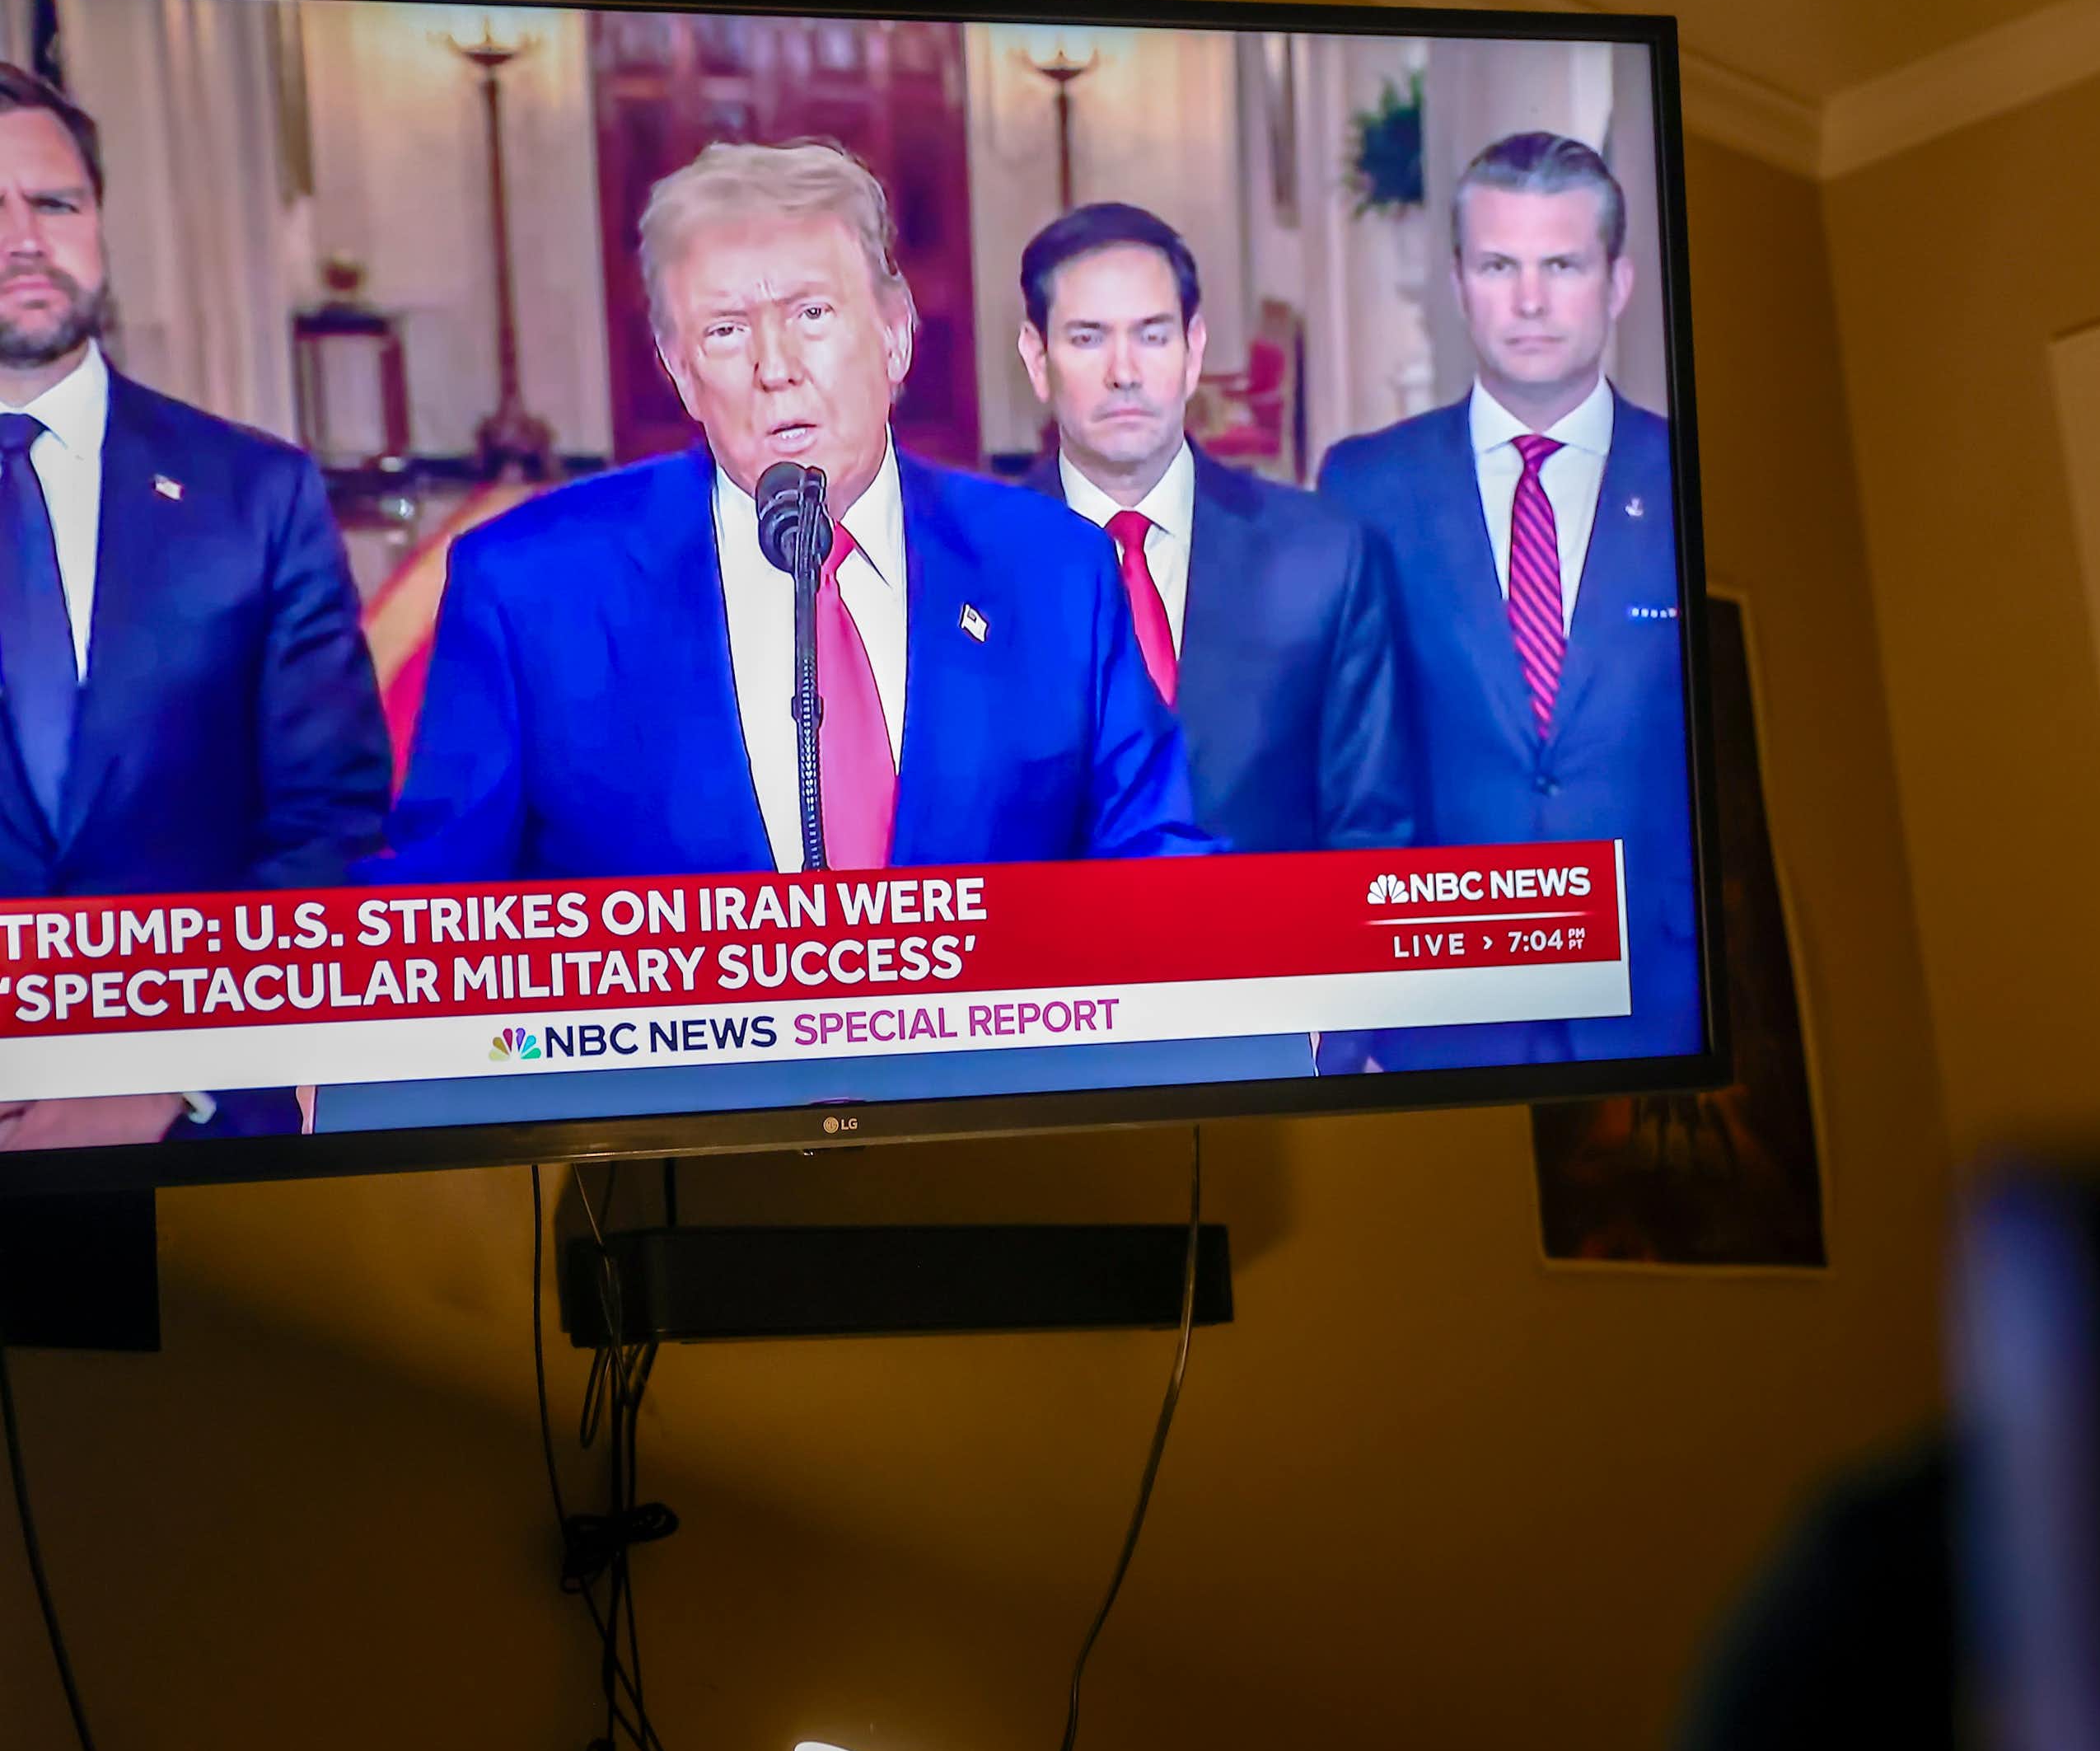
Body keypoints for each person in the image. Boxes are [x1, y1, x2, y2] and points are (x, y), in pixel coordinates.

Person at [376, 142, 1208, 882]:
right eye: (727, 331)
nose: (776, 367)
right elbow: (437, 911)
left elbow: (1155, 862)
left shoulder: (1055, 569)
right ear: (679, 371)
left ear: (895, 336)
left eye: (813, 314)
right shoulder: (530, 590)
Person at [0, 64, 390, 1149]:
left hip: (198, 1143)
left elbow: (329, 824)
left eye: (56, 202)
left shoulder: (255, 492)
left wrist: (169, 1072)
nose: (26, 237)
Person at [1318, 131, 1700, 1070]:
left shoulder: (1695, 475)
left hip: (1666, 1010)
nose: (1528, 302)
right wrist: (1346, 1031)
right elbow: (1345, 769)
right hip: (1444, 1017)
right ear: (1458, 283)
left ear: (1616, 283)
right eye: (1498, 266)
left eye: (1561, 265)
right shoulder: (1364, 485)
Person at [1014, 201, 1414, 854]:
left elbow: (1373, 839)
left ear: (1193, 350)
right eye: (1088, 338)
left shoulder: (1326, 558)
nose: (1124, 372)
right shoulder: (977, 569)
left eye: (1152, 335)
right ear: (1037, 357)